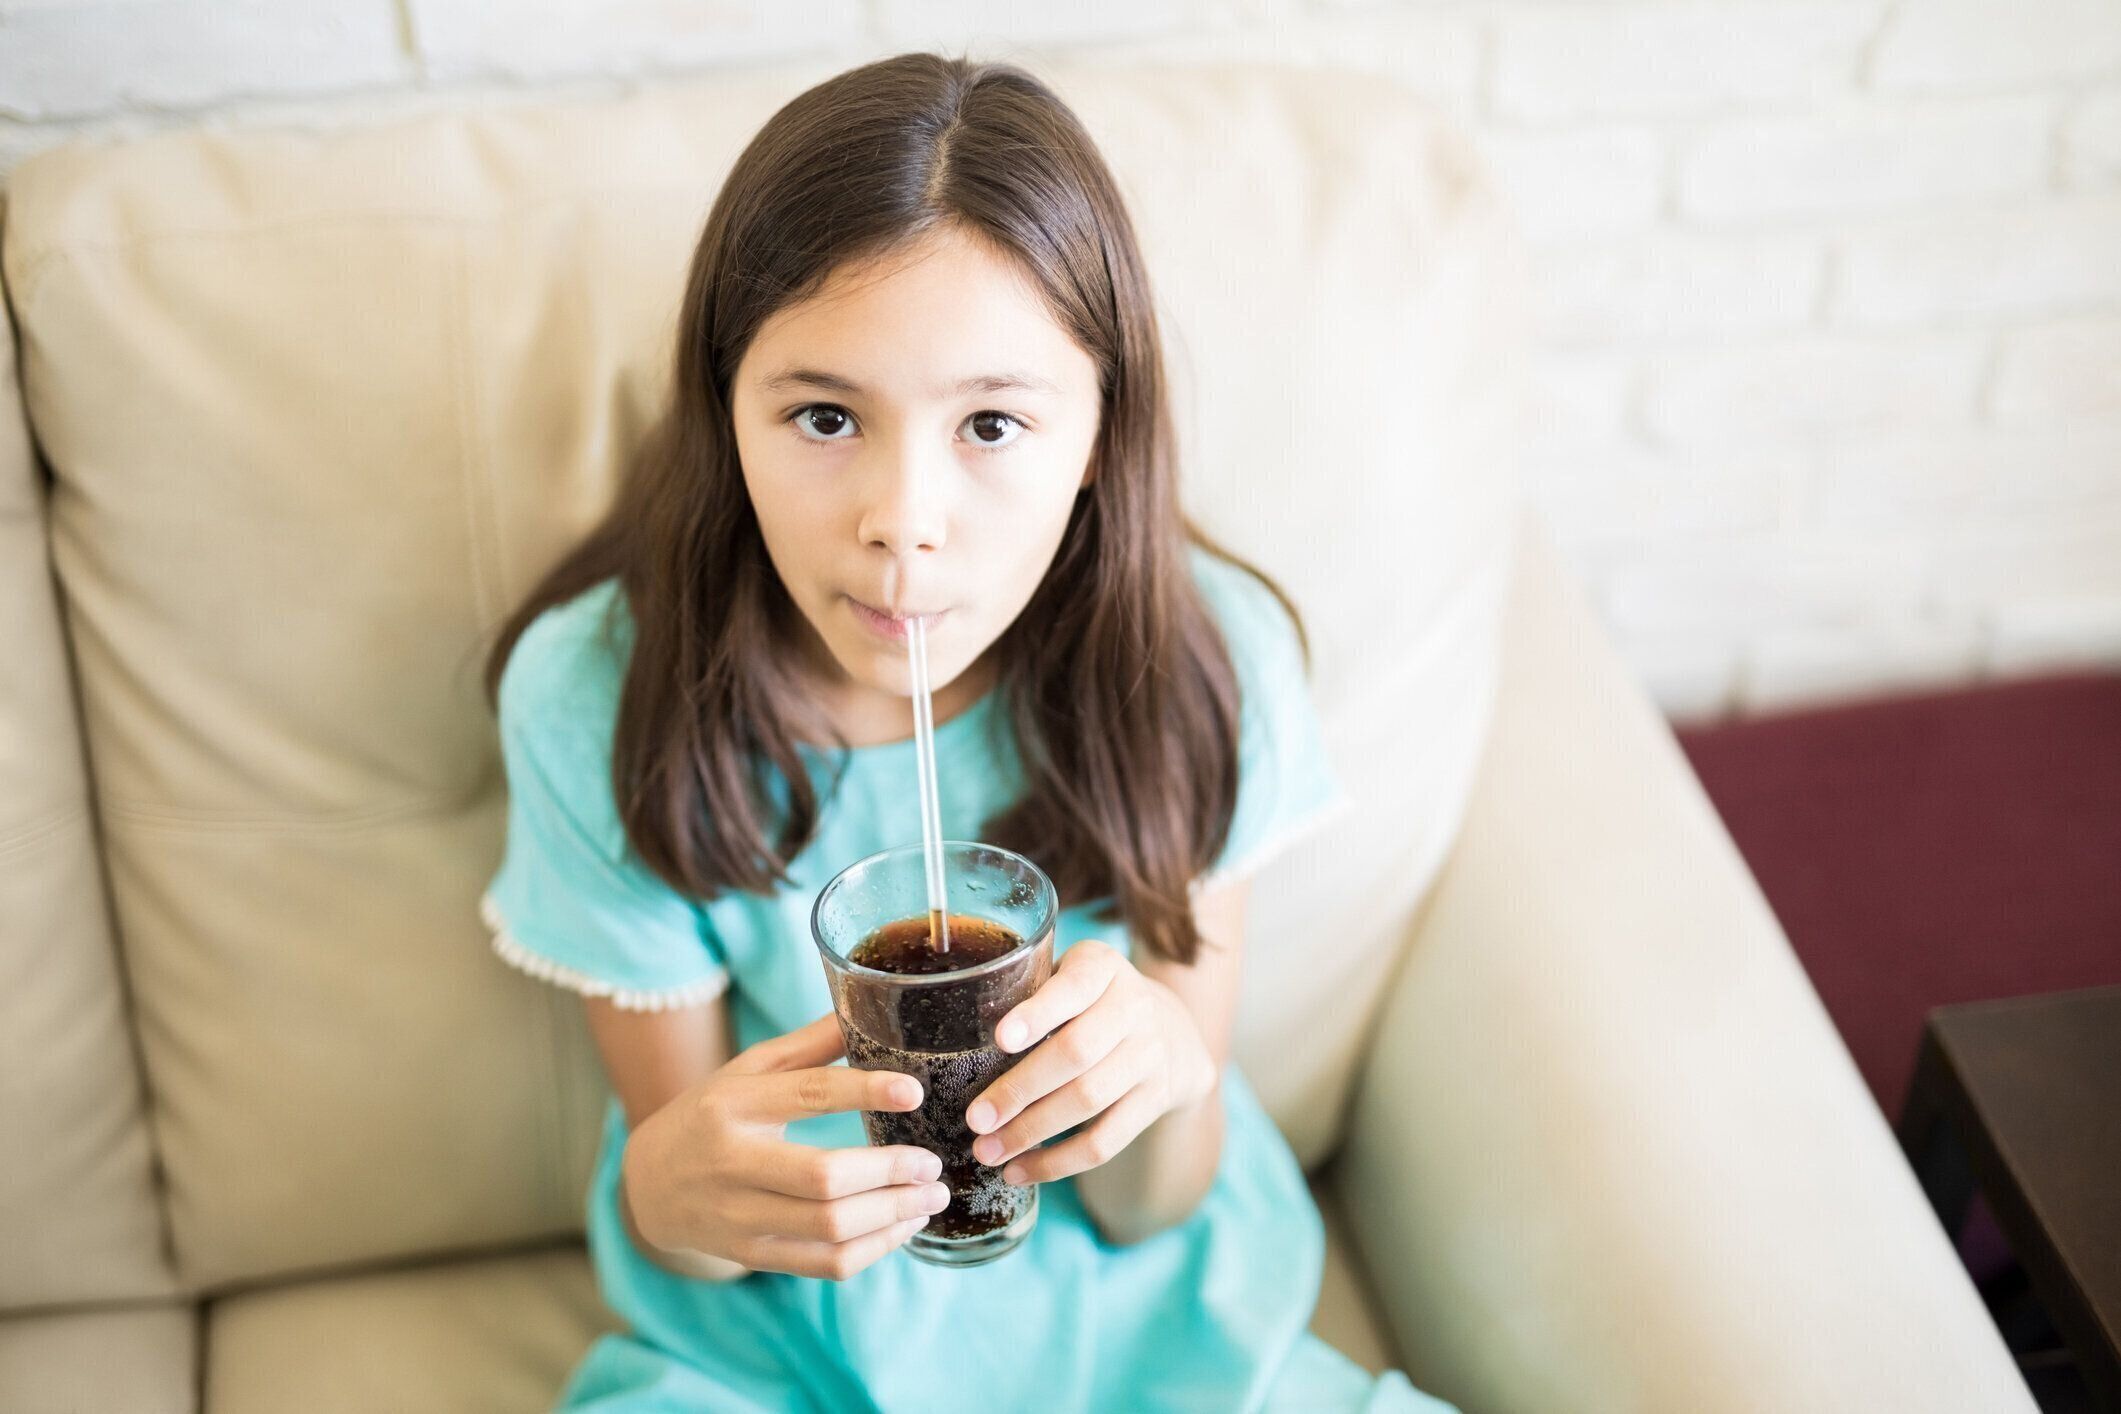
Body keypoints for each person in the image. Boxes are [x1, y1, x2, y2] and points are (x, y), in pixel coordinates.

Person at [478, 49, 1460, 1414]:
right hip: (773, 1358)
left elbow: (1149, 1208)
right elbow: (693, 1224)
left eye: (991, 422)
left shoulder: (1201, 664)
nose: (903, 518)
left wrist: (1166, 1073)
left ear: (1097, 435)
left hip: (1162, 1346)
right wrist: (667, 1187)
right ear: (723, 410)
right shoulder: (601, 697)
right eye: (824, 416)